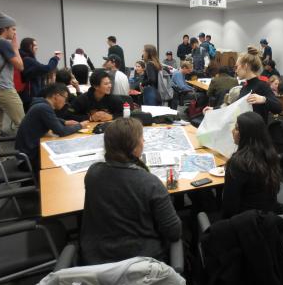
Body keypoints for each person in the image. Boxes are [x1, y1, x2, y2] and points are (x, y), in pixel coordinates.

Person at [80, 118, 181, 265]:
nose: (144, 141)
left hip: (97, 266)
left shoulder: (93, 173)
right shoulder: (150, 183)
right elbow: (174, 232)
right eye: (141, 138)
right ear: (134, 147)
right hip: (142, 265)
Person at [15, 83, 88, 172]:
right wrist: (80, 125)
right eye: (65, 98)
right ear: (56, 96)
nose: (65, 102)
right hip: (27, 158)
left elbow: (52, 118)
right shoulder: (44, 108)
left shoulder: (41, 103)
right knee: (62, 163)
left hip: (28, 151)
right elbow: (62, 132)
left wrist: (64, 122)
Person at [222, 112, 281, 218]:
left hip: (244, 223)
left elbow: (229, 206)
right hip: (268, 219)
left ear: (246, 134)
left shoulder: (238, 163)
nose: (232, 131)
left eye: (237, 128)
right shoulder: (271, 155)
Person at [0, 12, 25, 140]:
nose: (15, 33)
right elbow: (20, 66)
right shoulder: (3, 43)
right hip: (5, 90)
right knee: (24, 124)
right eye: (13, 29)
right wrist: (15, 48)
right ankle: (29, 156)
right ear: (4, 29)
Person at [235, 53, 282, 123]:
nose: (236, 71)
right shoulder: (244, 87)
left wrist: (264, 99)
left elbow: (278, 108)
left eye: (237, 67)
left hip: (257, 132)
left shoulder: (262, 86)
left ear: (245, 66)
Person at [19, 37, 60, 111]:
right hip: (30, 95)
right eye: (34, 45)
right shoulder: (28, 60)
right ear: (29, 46)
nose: (37, 48)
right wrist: (55, 58)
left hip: (27, 94)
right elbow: (47, 68)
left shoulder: (24, 58)